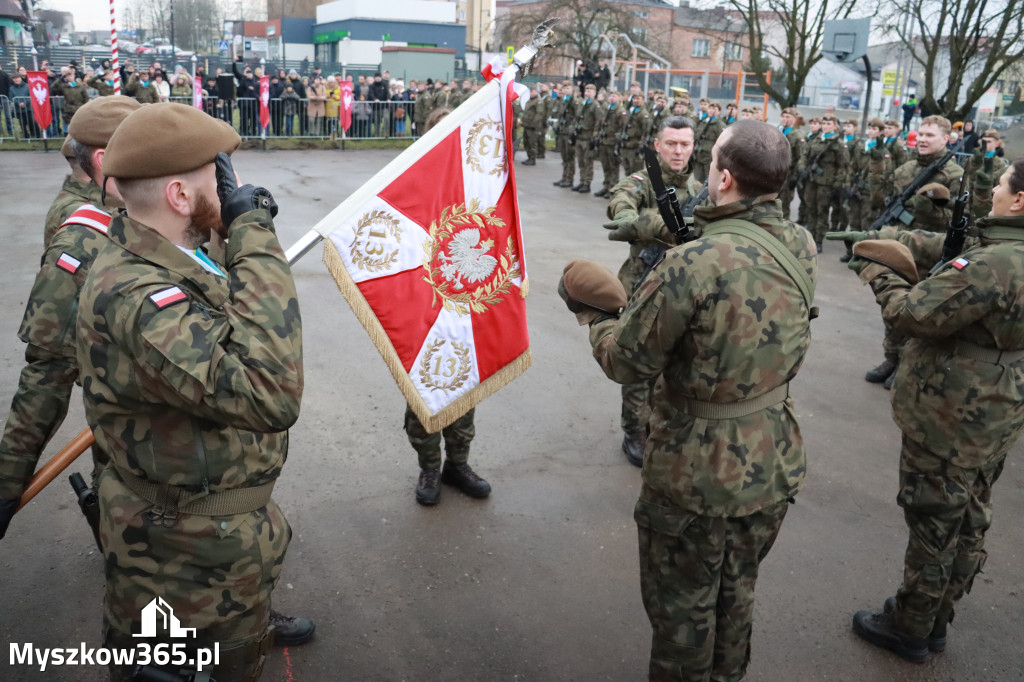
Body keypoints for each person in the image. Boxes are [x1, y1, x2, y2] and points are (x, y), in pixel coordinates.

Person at [564, 119, 815, 680]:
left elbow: (626, 362)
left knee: (682, 614)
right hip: (772, 459)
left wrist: (595, 314)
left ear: (722, 178)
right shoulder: (800, 243)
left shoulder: (691, 263)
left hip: (697, 472)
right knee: (735, 594)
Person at [82, 103, 313, 680]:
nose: (233, 189)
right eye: (221, 178)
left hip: (207, 542)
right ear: (181, 196)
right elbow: (270, 393)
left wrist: (230, 232)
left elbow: (225, 308)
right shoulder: (140, 297)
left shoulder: (167, 254)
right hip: (184, 567)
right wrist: (254, 233)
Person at [839, 157, 1024, 664]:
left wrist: (880, 271)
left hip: (953, 411)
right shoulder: (1003, 255)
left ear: (1020, 200)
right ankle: (938, 618)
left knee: (934, 520)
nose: (993, 192)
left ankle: (910, 625)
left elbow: (914, 314)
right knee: (970, 515)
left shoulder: (994, 264)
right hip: (1000, 404)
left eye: (1001, 185)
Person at [0, 97, 141, 541]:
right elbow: (48, 368)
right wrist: (7, 482)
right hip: (129, 424)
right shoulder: (84, 237)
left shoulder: (114, 208)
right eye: (144, 154)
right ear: (104, 161)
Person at [601, 116, 701, 466]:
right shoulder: (646, 182)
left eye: (684, 144)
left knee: (677, 364)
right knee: (639, 363)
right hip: (641, 282)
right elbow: (621, 205)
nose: (678, 151)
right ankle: (634, 430)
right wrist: (659, 225)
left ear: (693, 146)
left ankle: (662, 424)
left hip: (683, 289)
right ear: (657, 145)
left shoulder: (701, 189)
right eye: (671, 143)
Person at [863, 115, 964, 389]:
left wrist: (932, 211)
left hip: (932, 255)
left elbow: (961, 224)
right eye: (920, 134)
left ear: (946, 139)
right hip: (900, 249)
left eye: (930, 135)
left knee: (919, 313)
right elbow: (879, 201)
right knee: (892, 306)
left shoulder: (954, 176)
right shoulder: (906, 169)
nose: (922, 139)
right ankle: (891, 358)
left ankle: (908, 365)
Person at [971, 130, 1009, 219]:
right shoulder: (972, 159)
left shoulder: (1000, 163)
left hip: (984, 204)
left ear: (996, 144)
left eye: (989, 142)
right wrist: (976, 162)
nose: (985, 144)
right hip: (968, 204)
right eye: (983, 141)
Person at [593, 89, 623, 197]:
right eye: (610, 96)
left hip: (612, 142)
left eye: (614, 96)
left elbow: (622, 127)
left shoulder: (620, 111)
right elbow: (599, 123)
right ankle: (606, 185)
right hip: (603, 141)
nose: (612, 98)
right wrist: (596, 135)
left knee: (613, 166)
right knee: (605, 165)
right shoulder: (606, 109)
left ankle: (613, 187)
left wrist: (617, 140)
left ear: (619, 98)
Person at [572, 83, 600, 194]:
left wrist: (595, 136)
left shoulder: (595, 105)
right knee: (580, 161)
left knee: (588, 162)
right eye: (586, 91)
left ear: (594, 93)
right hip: (579, 136)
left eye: (590, 91)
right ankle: (582, 181)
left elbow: (599, 121)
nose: (587, 93)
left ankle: (587, 183)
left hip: (588, 137)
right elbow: (577, 118)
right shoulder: (582, 104)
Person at [778, 107, 803, 218]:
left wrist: (795, 178)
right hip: (775, 173)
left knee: (783, 207)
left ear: (794, 120)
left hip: (788, 175)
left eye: (788, 117)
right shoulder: (776, 132)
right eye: (783, 116)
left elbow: (800, 158)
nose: (784, 119)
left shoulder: (797, 136)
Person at [552, 81, 578, 188]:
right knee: (564, 157)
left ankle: (569, 179)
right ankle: (564, 177)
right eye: (564, 88)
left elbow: (577, 116)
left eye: (568, 88)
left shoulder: (574, 101)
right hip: (562, 131)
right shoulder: (563, 100)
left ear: (572, 89)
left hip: (568, 132)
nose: (566, 90)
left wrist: (572, 129)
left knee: (569, 156)